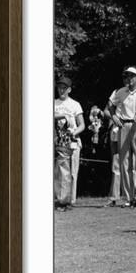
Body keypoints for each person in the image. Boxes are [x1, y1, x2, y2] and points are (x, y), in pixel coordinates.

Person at [104, 66, 136, 208]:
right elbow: (110, 104)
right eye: (126, 76)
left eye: (131, 76)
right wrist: (114, 116)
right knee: (125, 164)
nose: (128, 79)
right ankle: (130, 197)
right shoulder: (120, 92)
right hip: (123, 126)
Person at [54, 76, 85, 210]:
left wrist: (73, 133)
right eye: (59, 87)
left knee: (72, 172)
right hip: (56, 142)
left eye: (64, 88)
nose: (61, 90)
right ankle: (59, 199)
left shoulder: (75, 104)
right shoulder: (53, 103)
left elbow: (82, 124)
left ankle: (70, 201)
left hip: (72, 141)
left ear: (69, 90)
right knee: (58, 172)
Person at [103, 100, 136, 207]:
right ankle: (114, 197)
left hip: (131, 130)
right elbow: (106, 111)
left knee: (132, 165)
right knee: (116, 166)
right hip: (116, 131)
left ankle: (135, 196)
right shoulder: (116, 94)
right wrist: (114, 116)